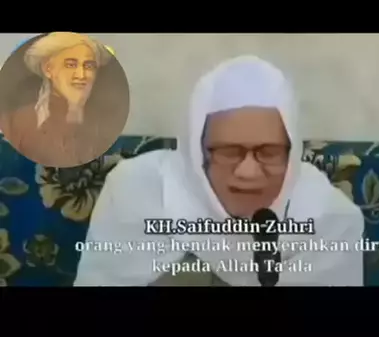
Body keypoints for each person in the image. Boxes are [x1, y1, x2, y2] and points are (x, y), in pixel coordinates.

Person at [74, 55, 364, 286]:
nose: (249, 172)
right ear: (196, 151)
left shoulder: (328, 217)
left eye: (269, 152)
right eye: (229, 151)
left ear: (292, 152)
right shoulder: (138, 190)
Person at [0, 32, 123, 168]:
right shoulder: (20, 121)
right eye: (70, 65)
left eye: (88, 66)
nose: (81, 75)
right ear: (48, 69)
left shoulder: (103, 122)